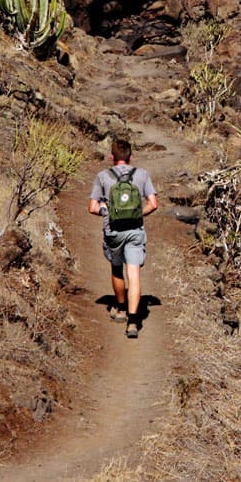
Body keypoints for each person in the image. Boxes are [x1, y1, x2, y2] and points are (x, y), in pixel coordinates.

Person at [88, 137, 158, 338]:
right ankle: (133, 322)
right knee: (134, 275)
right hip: (135, 231)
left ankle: (120, 309)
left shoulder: (103, 176)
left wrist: (106, 212)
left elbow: (92, 208)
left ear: (112, 157)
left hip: (113, 232)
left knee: (117, 269)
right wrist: (137, 214)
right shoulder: (142, 175)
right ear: (131, 157)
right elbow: (153, 204)